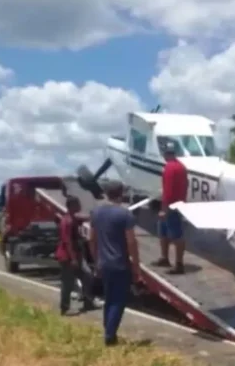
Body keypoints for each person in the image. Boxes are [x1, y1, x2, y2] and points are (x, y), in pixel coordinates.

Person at [89, 180, 141, 346]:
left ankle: (108, 330)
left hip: (104, 263)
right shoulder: (125, 215)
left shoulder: (96, 213)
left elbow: (92, 239)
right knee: (118, 300)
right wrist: (136, 266)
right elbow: (131, 242)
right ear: (121, 193)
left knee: (109, 298)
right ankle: (110, 335)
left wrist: (96, 260)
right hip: (120, 263)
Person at [152, 141, 188, 275]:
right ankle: (165, 258)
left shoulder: (169, 168)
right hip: (177, 204)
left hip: (170, 206)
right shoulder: (181, 167)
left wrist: (164, 209)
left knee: (176, 234)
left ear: (165, 153)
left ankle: (178, 264)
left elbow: (168, 191)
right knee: (164, 231)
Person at [56, 195, 96, 315]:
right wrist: (73, 259)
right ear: (72, 206)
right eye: (78, 204)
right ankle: (64, 307)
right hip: (68, 257)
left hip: (76, 256)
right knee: (68, 282)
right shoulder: (67, 222)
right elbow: (67, 241)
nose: (80, 206)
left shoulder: (73, 218)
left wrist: (93, 215)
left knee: (88, 276)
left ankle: (88, 302)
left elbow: (82, 218)